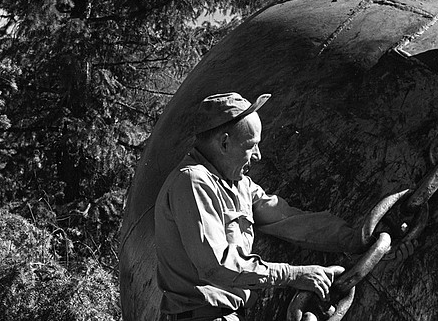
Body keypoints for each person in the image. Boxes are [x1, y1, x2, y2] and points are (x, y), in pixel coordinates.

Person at [154, 92, 361, 321]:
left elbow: (287, 219)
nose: (258, 156)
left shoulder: (240, 185)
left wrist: (354, 238)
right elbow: (216, 266)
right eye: (251, 146)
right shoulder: (192, 182)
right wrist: (294, 274)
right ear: (224, 143)